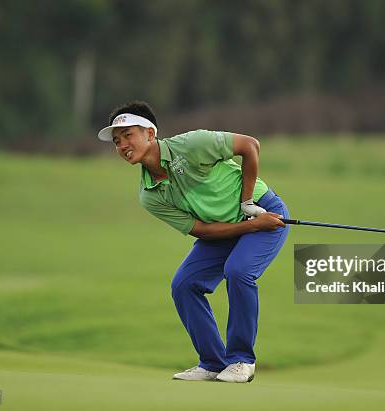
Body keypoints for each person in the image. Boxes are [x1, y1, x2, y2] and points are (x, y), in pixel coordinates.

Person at [97, 101, 289, 383]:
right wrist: (244, 227)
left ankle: (241, 361)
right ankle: (212, 362)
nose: (123, 145)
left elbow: (250, 145)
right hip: (229, 228)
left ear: (150, 134)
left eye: (128, 135)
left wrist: (248, 203)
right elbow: (200, 229)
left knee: (238, 271)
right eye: (116, 141)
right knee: (184, 285)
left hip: (264, 212)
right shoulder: (150, 195)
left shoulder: (192, 145)